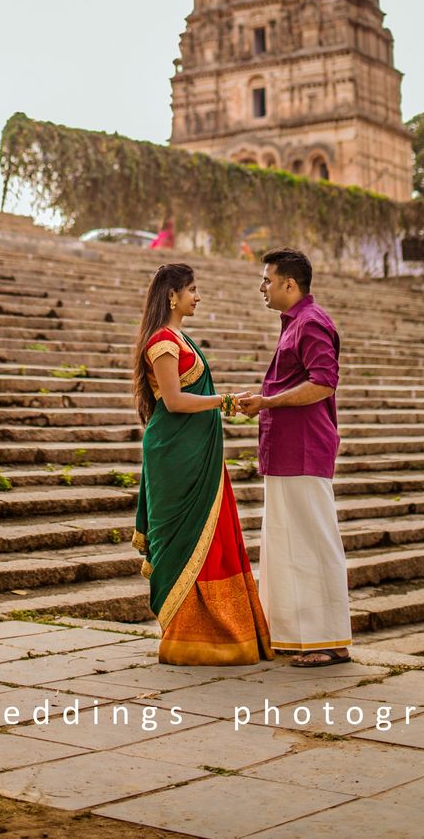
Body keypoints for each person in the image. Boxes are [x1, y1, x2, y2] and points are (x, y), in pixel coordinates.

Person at [132, 262, 273, 665]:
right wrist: (224, 400)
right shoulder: (161, 341)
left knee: (213, 537)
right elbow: (174, 402)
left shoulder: (180, 337)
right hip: (176, 455)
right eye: (192, 289)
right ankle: (185, 636)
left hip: (198, 451)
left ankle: (220, 632)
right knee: (183, 539)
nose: (198, 296)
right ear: (172, 296)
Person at [236, 248, 352, 667]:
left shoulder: (311, 322)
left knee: (311, 540)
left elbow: (323, 383)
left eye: (267, 280)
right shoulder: (294, 324)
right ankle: (303, 635)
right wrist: (265, 402)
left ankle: (324, 639)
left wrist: (267, 402)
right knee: (289, 541)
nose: (262, 287)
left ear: (290, 284)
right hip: (287, 449)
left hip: (304, 447)